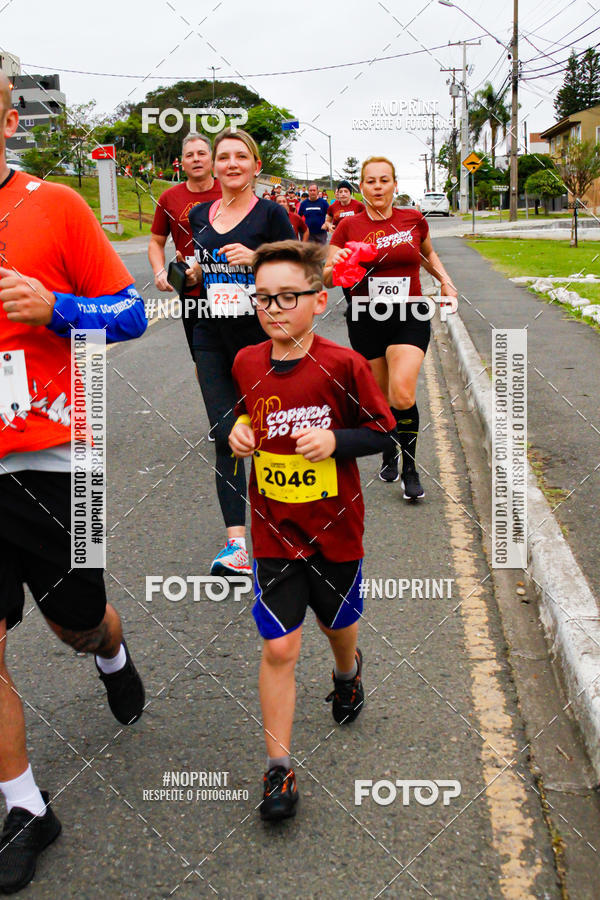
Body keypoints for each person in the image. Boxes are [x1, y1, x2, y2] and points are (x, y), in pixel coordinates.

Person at [0, 74, 147, 893]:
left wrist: (54, 307)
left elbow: (130, 312)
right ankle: (25, 806)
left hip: (61, 456)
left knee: (75, 622)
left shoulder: (54, 205)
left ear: (8, 120)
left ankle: (111, 646)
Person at [229, 240, 397, 821]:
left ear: (319, 299)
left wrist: (335, 440)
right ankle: (279, 769)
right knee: (279, 646)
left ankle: (347, 673)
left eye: (287, 297)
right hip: (274, 531)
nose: (273, 308)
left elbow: (383, 431)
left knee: (337, 627)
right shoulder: (246, 361)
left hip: (335, 531)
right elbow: (250, 411)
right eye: (263, 298)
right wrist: (241, 433)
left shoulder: (343, 365)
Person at [182, 128, 295, 576]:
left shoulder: (270, 213)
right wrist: (188, 272)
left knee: (270, 436)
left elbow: (298, 263)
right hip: (210, 335)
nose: (231, 163)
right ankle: (236, 546)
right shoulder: (199, 215)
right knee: (227, 434)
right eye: (223, 156)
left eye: (240, 157)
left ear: (255, 165)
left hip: (262, 339)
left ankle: (284, 532)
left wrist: (258, 257)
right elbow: (199, 266)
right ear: (214, 166)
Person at [324, 156, 457, 499]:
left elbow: (426, 255)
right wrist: (339, 263)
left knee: (402, 393)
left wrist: (445, 281)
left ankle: (410, 468)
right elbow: (326, 276)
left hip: (409, 314)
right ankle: (389, 450)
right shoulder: (347, 226)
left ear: (395, 185)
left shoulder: (412, 219)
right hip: (366, 317)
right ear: (362, 187)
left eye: (384, 180)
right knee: (382, 398)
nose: (378, 187)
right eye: (371, 181)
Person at [148, 132, 221, 357]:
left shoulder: (231, 190)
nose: (196, 159)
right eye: (190, 155)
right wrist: (160, 271)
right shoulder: (169, 197)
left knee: (240, 357)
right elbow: (156, 242)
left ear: (212, 158)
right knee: (203, 358)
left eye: (201, 153)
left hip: (231, 286)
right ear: (182, 162)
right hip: (192, 292)